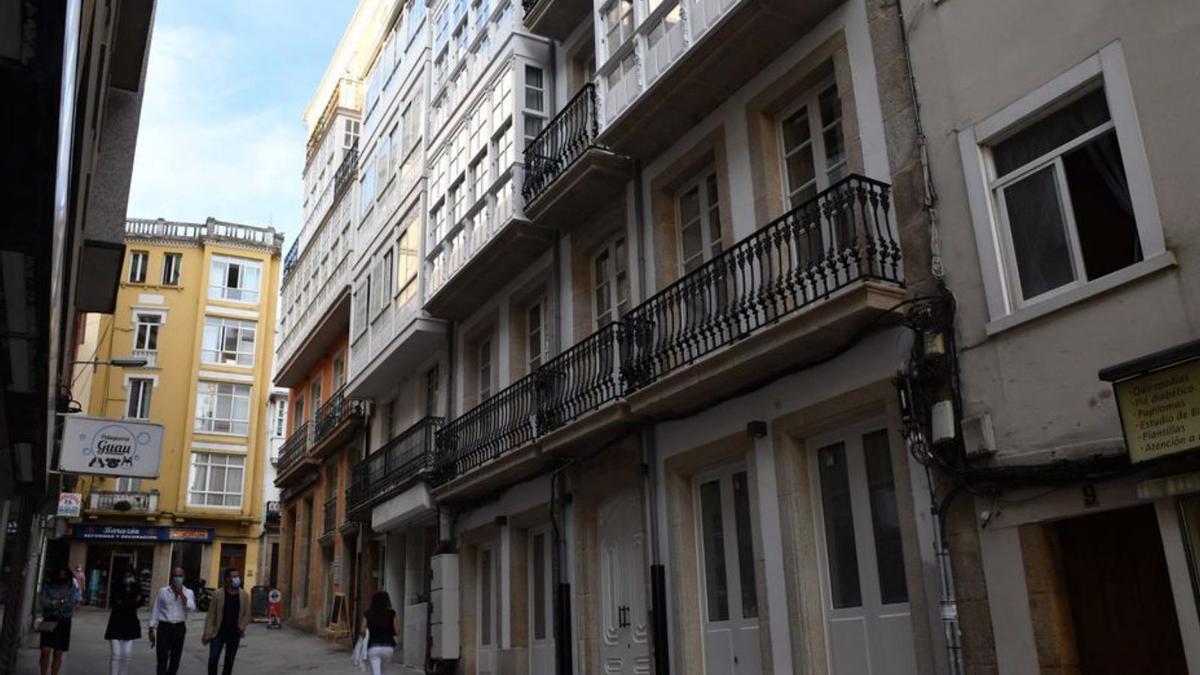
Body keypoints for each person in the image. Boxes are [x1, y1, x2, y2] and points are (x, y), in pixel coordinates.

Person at [202, 568, 250, 675]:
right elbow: (211, 614)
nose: (237, 579)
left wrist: (241, 626)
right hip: (218, 632)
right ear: (227, 579)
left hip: (234, 633)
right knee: (213, 658)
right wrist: (208, 632)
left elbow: (247, 614)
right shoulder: (218, 594)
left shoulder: (244, 595)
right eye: (233, 576)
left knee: (229, 660)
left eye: (238, 576)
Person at [148, 567, 195, 675]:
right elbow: (156, 610)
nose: (177, 578)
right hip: (165, 627)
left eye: (180, 576)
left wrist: (181, 594)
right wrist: (151, 628)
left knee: (175, 659)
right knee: (162, 658)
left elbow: (191, 608)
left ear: (184, 577)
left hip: (179, 628)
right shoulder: (163, 591)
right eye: (175, 576)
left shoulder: (188, 592)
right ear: (171, 577)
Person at [39, 567, 81, 675]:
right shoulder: (49, 584)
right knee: (45, 650)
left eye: (64, 574)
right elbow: (44, 601)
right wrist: (60, 602)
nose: (62, 576)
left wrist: (55, 602)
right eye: (60, 574)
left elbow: (74, 601)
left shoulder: (72, 585)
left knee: (58, 652)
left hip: (64, 620)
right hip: (49, 619)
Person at [105, 569, 144, 675]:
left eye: (130, 575)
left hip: (130, 624)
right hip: (116, 623)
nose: (128, 578)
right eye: (126, 575)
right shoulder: (116, 587)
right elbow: (115, 603)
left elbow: (140, 602)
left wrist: (129, 601)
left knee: (126, 654)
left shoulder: (136, 588)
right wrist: (130, 602)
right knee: (116, 654)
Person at [357, 591, 400, 675]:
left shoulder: (368, 613)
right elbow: (397, 631)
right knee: (384, 671)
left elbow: (362, 630)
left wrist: (366, 634)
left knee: (376, 671)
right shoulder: (391, 613)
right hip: (388, 647)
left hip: (373, 646)